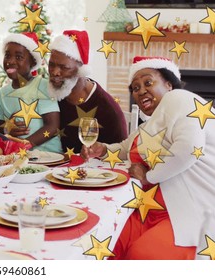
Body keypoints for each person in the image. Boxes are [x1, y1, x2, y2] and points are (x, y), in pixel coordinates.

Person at [81, 56, 215, 259]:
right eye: (135, 88)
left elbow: (189, 148)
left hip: (187, 212)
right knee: (104, 243)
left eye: (148, 82)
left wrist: (148, 177)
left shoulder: (179, 98)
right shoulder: (146, 128)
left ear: (169, 85)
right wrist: (104, 149)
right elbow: (125, 149)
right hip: (148, 209)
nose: (141, 90)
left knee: (140, 255)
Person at [48, 30, 128, 153]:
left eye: (64, 67)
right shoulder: (51, 94)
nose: (54, 72)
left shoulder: (108, 110)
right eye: (51, 65)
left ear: (82, 70)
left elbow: (119, 157)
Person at [0, 32, 62, 152]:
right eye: (7, 55)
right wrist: (7, 130)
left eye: (19, 57)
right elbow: (1, 132)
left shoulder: (43, 86)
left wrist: (23, 146)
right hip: (20, 158)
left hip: (48, 157)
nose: (11, 61)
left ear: (33, 63)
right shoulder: (2, 94)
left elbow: (52, 126)